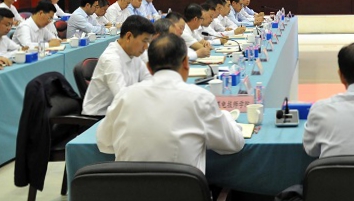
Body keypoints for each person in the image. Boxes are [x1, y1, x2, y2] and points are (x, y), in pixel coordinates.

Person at [96, 33, 244, 171]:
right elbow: (233, 144)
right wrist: (227, 118)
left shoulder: (124, 96)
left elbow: (104, 142)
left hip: (129, 189)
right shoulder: (200, 98)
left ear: (149, 67)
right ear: (185, 62)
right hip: (183, 190)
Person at [82, 15, 154, 116]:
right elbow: (122, 98)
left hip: (119, 111)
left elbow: (150, 81)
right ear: (129, 37)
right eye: (144, 41)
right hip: (99, 117)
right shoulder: (111, 59)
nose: (146, 47)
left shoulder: (134, 54)